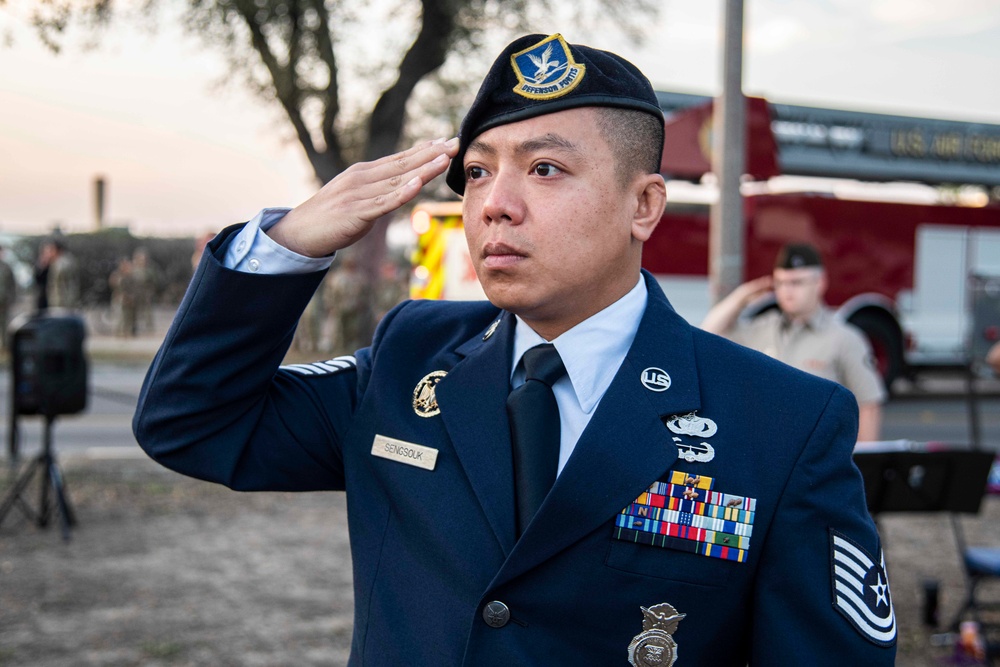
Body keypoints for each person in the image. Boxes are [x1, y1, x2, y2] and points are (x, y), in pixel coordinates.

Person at [134, 34, 896, 665]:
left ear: (643, 204)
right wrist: (287, 245)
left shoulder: (782, 420)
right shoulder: (410, 360)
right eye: (476, 172)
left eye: (545, 168)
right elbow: (193, 422)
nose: (495, 202)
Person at [701, 243, 887, 442]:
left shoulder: (844, 338)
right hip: (765, 454)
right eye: (780, 283)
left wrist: (863, 463)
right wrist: (742, 296)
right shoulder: (761, 330)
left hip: (817, 461)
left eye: (797, 282)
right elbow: (707, 335)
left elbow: (868, 406)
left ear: (820, 282)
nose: (787, 290)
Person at [0, 246, 17, 350]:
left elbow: (12, 286)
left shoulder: (7, 268)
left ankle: (5, 348)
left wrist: (10, 300)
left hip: (4, 303)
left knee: (5, 326)